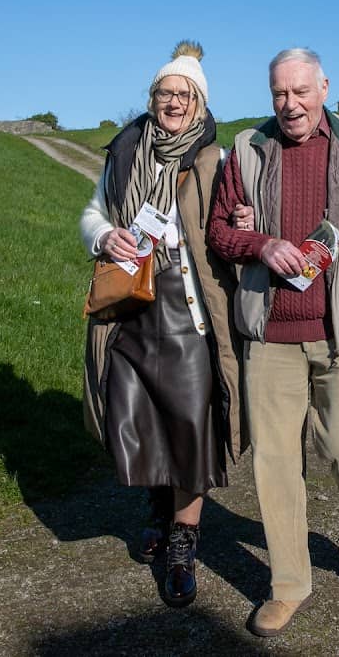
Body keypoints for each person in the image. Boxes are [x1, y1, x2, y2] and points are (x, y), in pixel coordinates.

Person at [207, 47, 339, 638]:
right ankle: (289, 583)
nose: (289, 104)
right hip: (269, 333)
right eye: (279, 93)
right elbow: (220, 229)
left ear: (324, 87)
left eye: (300, 91)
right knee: (274, 464)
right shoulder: (245, 150)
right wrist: (261, 245)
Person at [79, 41, 246, 608]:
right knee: (135, 411)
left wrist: (246, 218)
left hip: (186, 307)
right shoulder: (126, 151)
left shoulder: (214, 160)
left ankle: (182, 542)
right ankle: (156, 505)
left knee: (190, 425)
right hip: (131, 303)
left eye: (184, 94)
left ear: (199, 104)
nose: (172, 102)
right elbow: (92, 211)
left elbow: (230, 223)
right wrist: (104, 236)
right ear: (151, 98)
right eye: (164, 92)